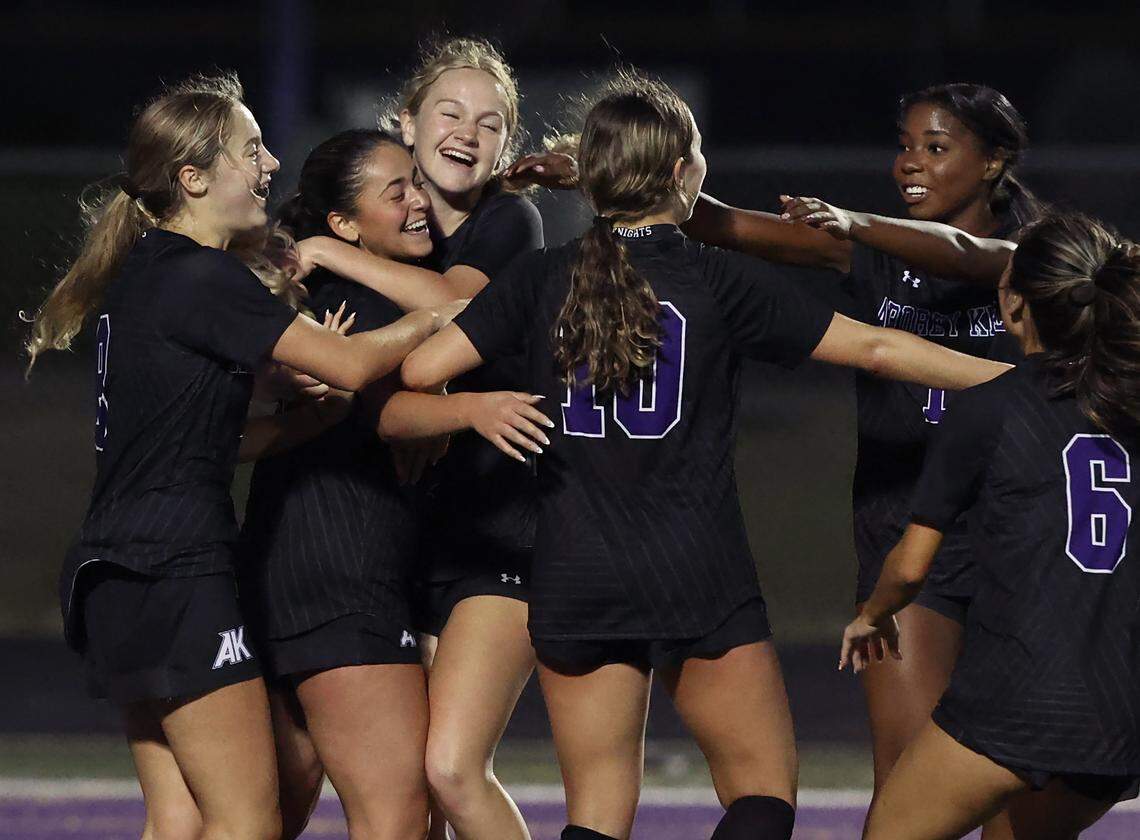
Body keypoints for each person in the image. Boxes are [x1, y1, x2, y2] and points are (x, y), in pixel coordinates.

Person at [401, 70, 1012, 840]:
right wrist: (1024, 381)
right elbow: (883, 349)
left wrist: (476, 406)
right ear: (684, 174)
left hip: (574, 571)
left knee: (595, 815)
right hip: (699, 567)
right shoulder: (720, 281)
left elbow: (420, 374)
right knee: (761, 797)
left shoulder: (540, 276)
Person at [25, 73, 461, 840]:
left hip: (110, 576)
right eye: (250, 149)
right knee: (246, 822)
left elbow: (218, 440)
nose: (268, 165)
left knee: (180, 819)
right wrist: (446, 316)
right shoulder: (202, 275)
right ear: (192, 178)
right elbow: (352, 365)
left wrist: (307, 419)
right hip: (174, 571)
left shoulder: (144, 279)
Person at [239, 127, 551, 840]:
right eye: (397, 191)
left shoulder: (331, 284)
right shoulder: (360, 294)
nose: (419, 202)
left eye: (416, 182)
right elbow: (430, 347)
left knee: (267, 812)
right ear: (344, 225)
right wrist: (458, 410)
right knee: (398, 817)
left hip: (293, 559)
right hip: (340, 569)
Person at [841, 212, 1140, 839]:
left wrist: (874, 613)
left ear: (1013, 303)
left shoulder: (990, 410)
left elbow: (912, 565)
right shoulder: (1129, 409)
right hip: (1119, 714)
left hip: (1017, 700)